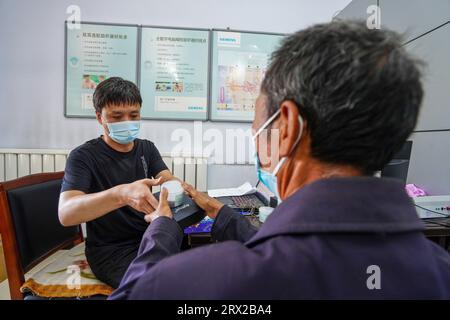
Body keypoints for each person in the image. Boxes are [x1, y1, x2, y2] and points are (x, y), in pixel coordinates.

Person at [109, 21, 450, 299]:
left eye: (257, 127)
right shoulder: (438, 270)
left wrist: (161, 228)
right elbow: (295, 250)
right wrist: (217, 210)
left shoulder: (202, 281)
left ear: (285, 128)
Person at [58, 77, 177, 288]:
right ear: (99, 117)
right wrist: (121, 194)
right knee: (160, 287)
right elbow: (67, 214)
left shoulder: (146, 149)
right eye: (116, 116)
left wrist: (180, 188)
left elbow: (167, 179)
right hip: (112, 251)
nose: (127, 122)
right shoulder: (84, 156)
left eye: (133, 115)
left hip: (149, 239)